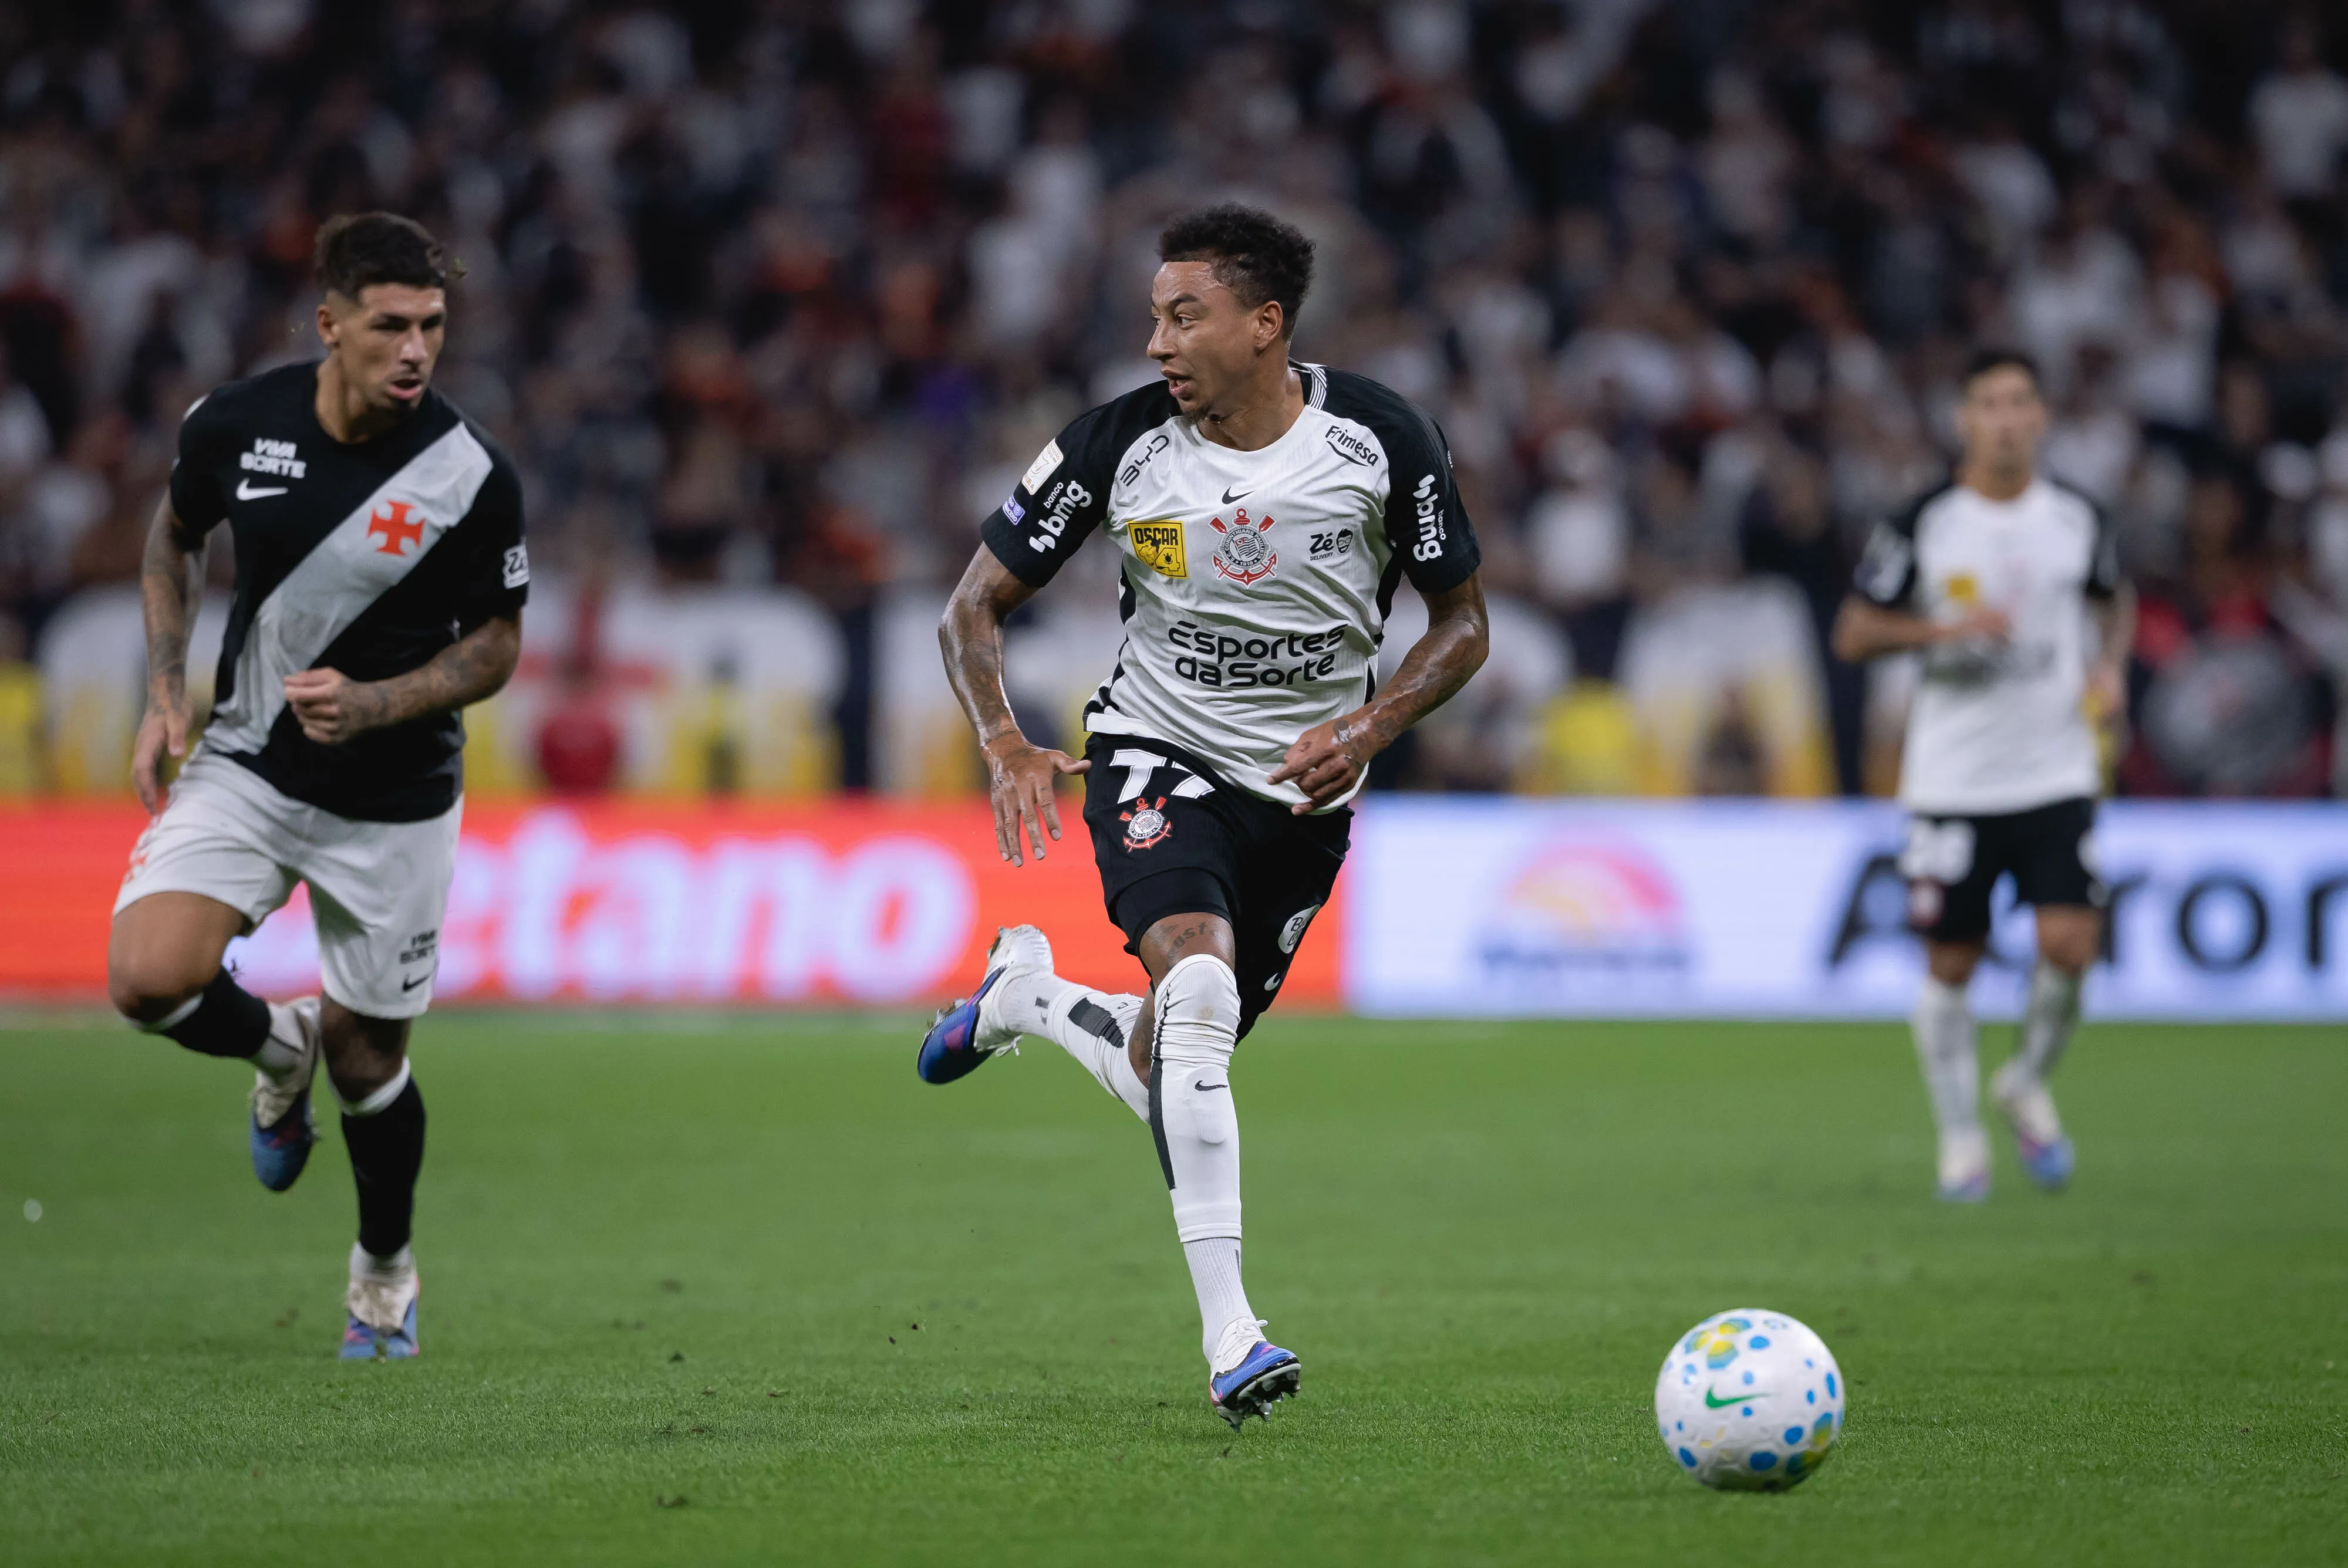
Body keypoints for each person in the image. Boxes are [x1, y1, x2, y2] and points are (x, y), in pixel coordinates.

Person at [921, 204, 1489, 1427]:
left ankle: (1028, 995)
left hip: (1303, 795)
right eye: (1153, 315)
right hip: (1149, 755)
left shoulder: (1380, 438)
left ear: (1263, 324)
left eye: (1183, 316)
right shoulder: (1114, 447)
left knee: (1167, 1061)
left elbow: (1462, 624)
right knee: (1195, 994)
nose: (1155, 342)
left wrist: (1370, 726)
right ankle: (1232, 1334)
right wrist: (1005, 739)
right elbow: (971, 608)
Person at [105, 213, 527, 1358]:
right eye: (390, 326)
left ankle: (382, 1279)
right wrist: (162, 692)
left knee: (369, 1060)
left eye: (432, 327)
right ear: (329, 324)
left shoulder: (469, 474)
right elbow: (172, 538)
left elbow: (496, 645)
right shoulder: (236, 427)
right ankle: (272, 1046)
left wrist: (381, 700)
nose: (415, 351)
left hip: (396, 798)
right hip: (247, 758)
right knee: (146, 979)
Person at [1832, 347, 2134, 1202]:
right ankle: (1961, 1139)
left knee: (2070, 946)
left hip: (2055, 768)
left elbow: (2114, 600)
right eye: (1988, 403)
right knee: (1952, 964)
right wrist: (1942, 632)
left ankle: (2025, 1080)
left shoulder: (2079, 516)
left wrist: (2109, 668)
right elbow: (1854, 633)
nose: (2005, 417)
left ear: (2040, 417)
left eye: (2019, 401)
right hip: (1953, 779)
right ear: (1963, 419)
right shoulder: (1924, 519)